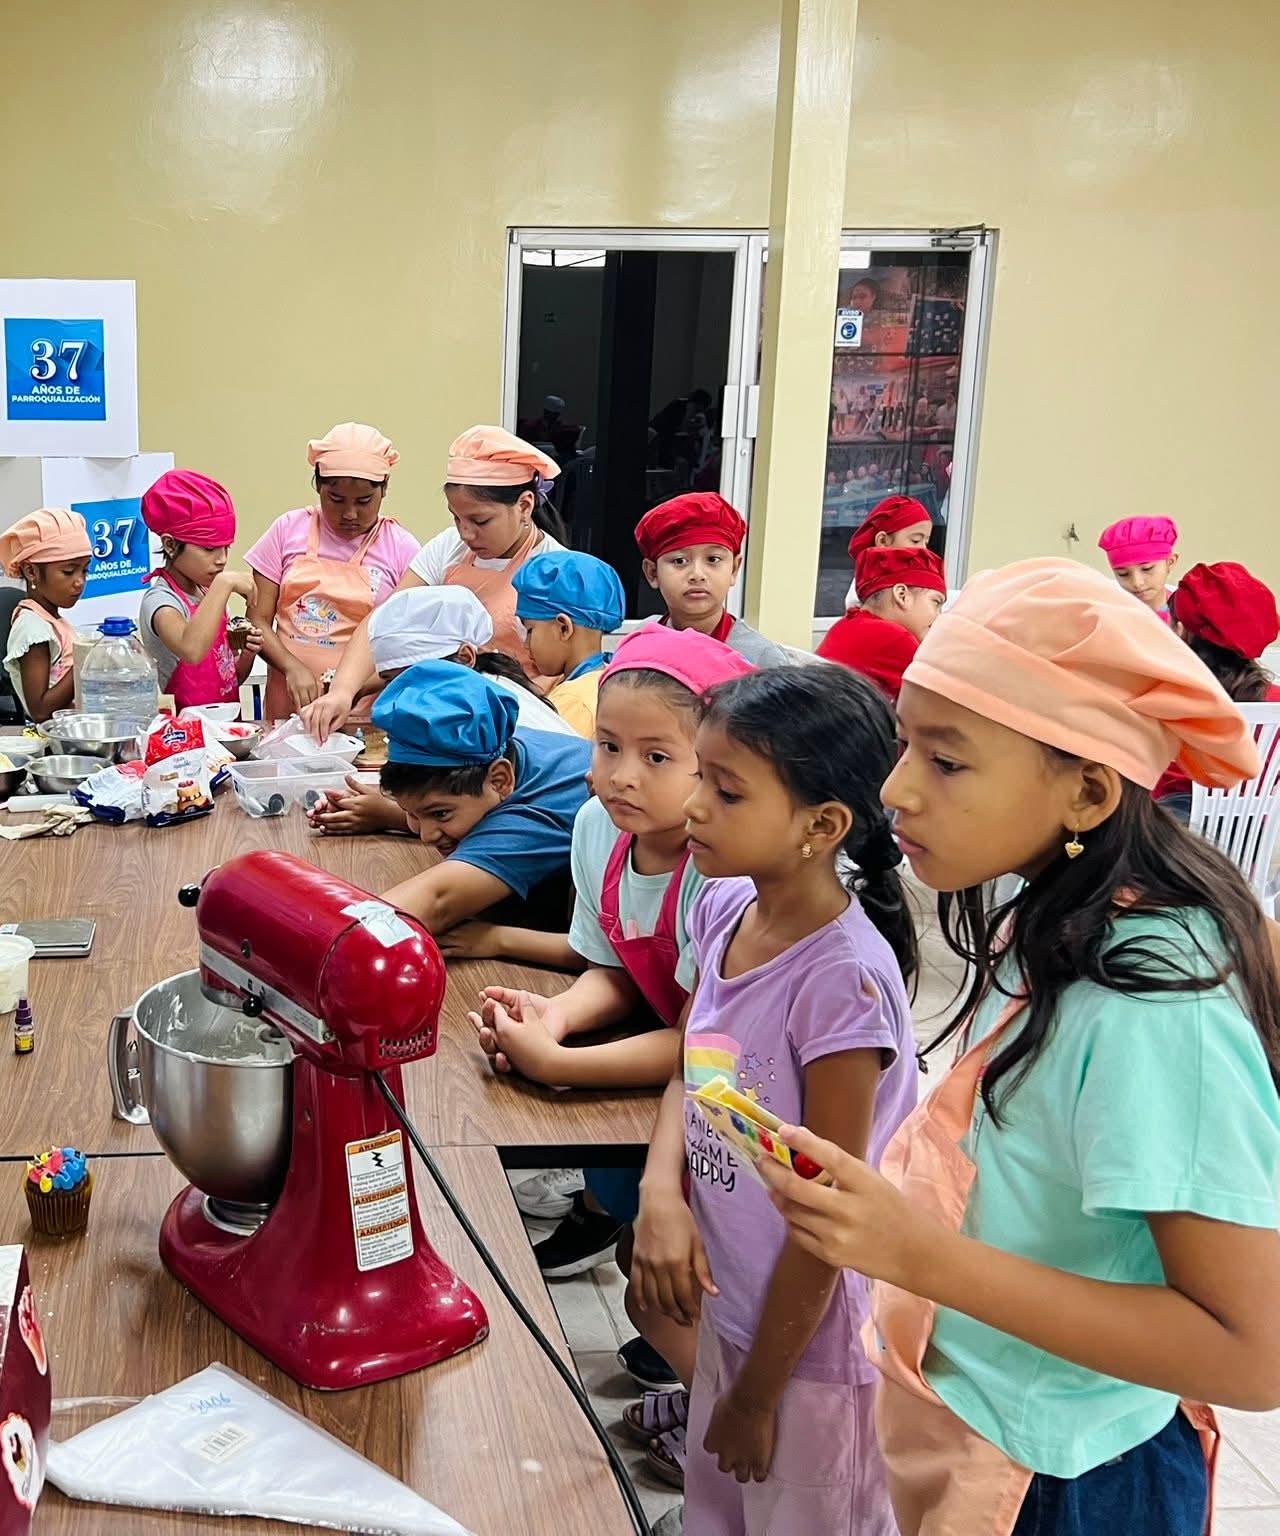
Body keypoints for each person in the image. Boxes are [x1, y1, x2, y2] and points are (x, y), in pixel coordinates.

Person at [759, 559, 1280, 1535]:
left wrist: (916, 1253)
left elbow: (1251, 1354)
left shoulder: (1148, 1004)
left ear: (1086, 791)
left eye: (946, 761)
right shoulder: (1055, 917)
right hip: (993, 1429)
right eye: (904, 744)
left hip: (1071, 1481)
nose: (895, 790)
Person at [632, 664, 918, 1534]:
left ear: (820, 827)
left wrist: (758, 1394)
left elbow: (829, 1218)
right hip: (735, 1305)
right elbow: (692, 1065)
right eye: (700, 779)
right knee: (720, 1506)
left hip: (811, 1347)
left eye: (726, 792)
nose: (693, 808)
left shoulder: (841, 986)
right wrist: (660, 1193)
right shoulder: (725, 906)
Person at [465, 628, 754, 1464]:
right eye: (608, 746)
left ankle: (729, 1429)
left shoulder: (725, 871)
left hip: (734, 1098)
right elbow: (617, 968)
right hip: (669, 1080)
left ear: (719, 766)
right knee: (643, 1258)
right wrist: (556, 1018)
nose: (622, 774)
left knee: (701, 1278)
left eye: (658, 757)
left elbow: (707, 1043)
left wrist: (564, 1065)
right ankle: (698, 1384)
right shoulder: (600, 826)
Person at [299, 426, 566, 733]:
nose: (466, 533)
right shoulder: (448, 547)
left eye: (480, 521)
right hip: (445, 716)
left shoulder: (554, 569)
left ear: (525, 506)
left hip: (519, 724)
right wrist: (343, 690)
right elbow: (386, 619)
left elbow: (563, 672)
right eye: (456, 517)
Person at [307, 586, 577, 840]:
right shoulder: (474, 695)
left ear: (465, 658)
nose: (400, 694)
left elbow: (494, 814)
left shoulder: (486, 715)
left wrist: (389, 815)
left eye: (413, 677)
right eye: (390, 681)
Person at [355, 661, 592, 938]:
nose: (426, 836)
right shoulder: (499, 745)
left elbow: (434, 904)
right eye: (412, 813)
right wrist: (389, 814)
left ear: (500, 780)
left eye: (440, 813)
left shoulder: (535, 815)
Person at [244, 423, 419, 720]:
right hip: (287, 705)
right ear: (318, 486)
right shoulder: (287, 530)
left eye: (364, 501)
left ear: (384, 488)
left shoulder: (402, 549)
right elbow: (257, 619)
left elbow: (413, 646)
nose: (350, 514)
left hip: (363, 714)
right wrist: (291, 667)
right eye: (335, 500)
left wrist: (350, 688)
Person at [1155, 560, 1280, 820]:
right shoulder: (1275, 700)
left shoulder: (1169, 695)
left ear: (1181, 630)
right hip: (1252, 832)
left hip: (1174, 835)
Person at [635, 492, 797, 668]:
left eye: (713, 559)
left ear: (734, 569)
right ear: (652, 573)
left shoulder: (761, 660)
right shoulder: (642, 641)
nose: (697, 574)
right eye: (680, 561)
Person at [137, 469, 254, 712]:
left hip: (225, 725)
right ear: (170, 544)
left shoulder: (208, 592)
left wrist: (248, 652)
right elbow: (191, 650)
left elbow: (229, 680)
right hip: (183, 729)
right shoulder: (161, 601)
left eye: (226, 547)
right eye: (209, 549)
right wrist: (223, 584)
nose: (221, 560)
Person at [512, 549, 628, 737]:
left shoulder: (574, 701)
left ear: (563, 628)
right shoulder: (608, 677)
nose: (526, 645)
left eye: (530, 630)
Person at [816, 544, 948, 702]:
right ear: (902, 595)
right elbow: (936, 703)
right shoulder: (896, 638)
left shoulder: (843, 625)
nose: (940, 616)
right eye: (936, 602)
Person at [0, 507, 93, 721]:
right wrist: (85, 660)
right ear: (31, 571)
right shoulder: (33, 629)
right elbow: (40, 710)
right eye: (68, 571)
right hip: (55, 735)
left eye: (85, 570)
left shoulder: (52, 620)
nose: (79, 581)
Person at [841, 493, 937, 609]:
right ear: (882, 541)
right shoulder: (866, 587)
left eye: (926, 542)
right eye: (915, 540)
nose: (924, 550)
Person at [1097, 515, 1179, 617]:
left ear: (1170, 562)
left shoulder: (1188, 613)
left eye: (1147, 569)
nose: (1137, 583)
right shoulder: (1108, 615)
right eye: (1123, 574)